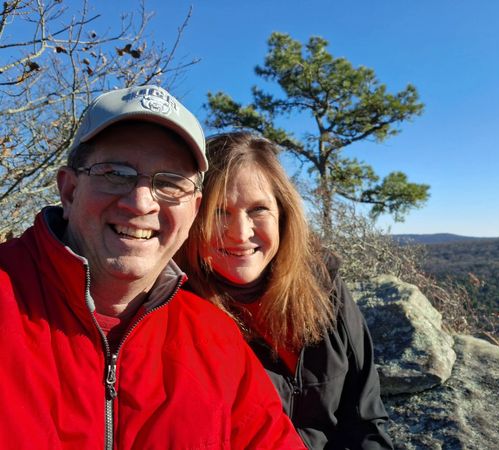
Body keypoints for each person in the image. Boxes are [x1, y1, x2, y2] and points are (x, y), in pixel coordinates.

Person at [0, 86, 306, 449]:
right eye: (115, 173)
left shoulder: (217, 340)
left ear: (193, 210)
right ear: (69, 191)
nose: (141, 201)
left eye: (171, 183)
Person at [176, 131, 394, 449]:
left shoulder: (322, 284)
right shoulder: (180, 312)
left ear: (283, 214)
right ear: (196, 220)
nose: (239, 233)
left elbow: (365, 416)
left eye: (258, 210)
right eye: (220, 212)